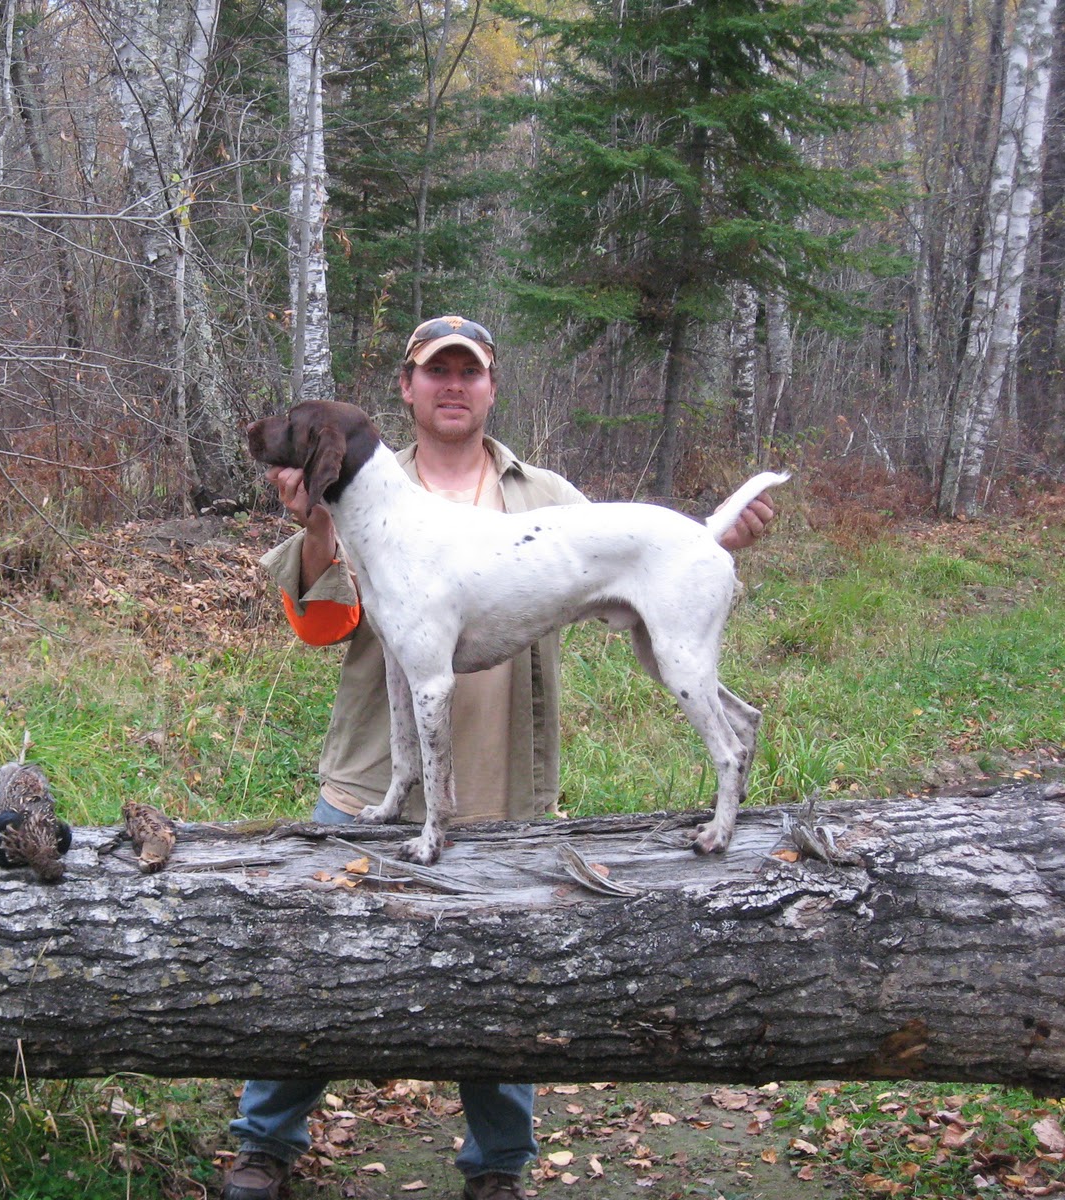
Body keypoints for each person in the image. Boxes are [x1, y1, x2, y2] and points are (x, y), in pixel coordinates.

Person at [221, 315, 776, 1200]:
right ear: (406, 388)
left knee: (504, 984)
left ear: (490, 387)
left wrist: (708, 545)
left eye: (466, 373)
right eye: (433, 372)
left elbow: (636, 549)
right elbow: (315, 623)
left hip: (502, 780)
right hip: (368, 781)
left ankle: (499, 1170)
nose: (451, 386)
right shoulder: (364, 485)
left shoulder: (543, 490)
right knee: (319, 962)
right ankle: (265, 1145)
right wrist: (316, 521)